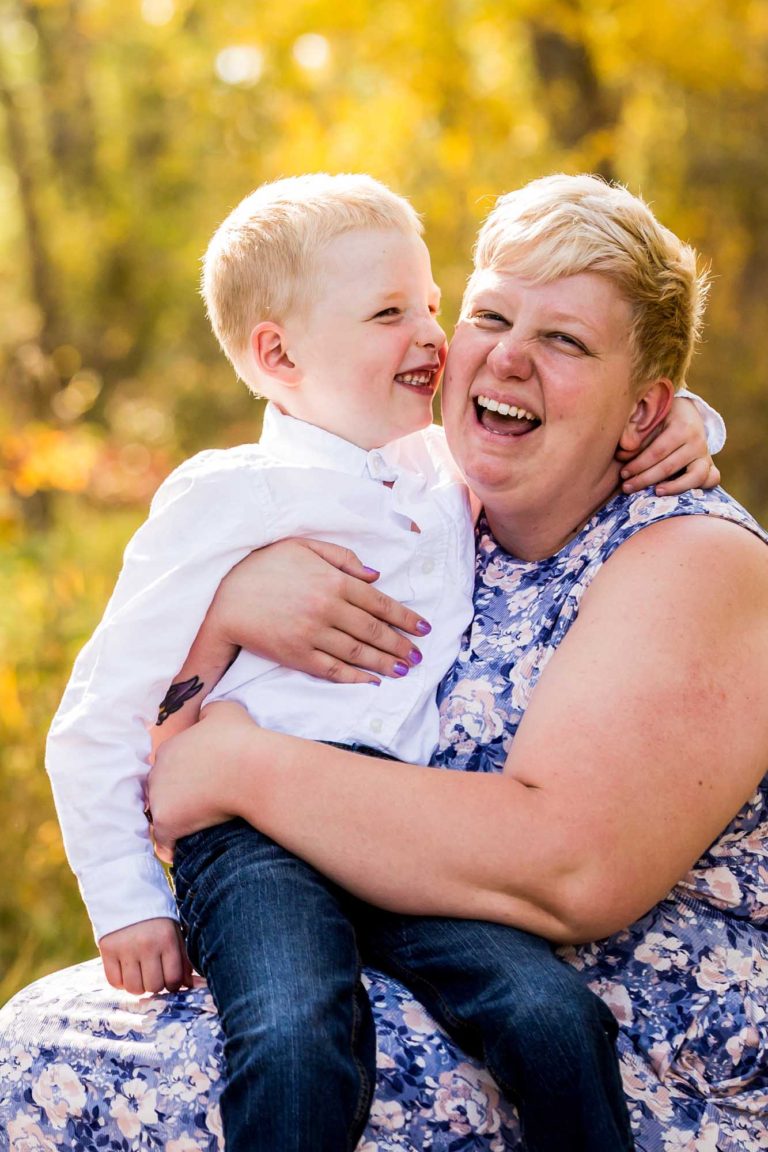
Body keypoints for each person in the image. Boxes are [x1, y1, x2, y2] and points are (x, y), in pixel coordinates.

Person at [43, 173, 721, 1152]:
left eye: (433, 307)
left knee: (552, 1018)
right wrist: (125, 903)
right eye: (389, 313)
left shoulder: (444, 471)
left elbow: (586, 419)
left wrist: (690, 421)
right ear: (279, 352)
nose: (434, 339)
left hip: (401, 827)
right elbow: (102, 711)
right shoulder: (225, 499)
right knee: (295, 1034)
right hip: (254, 844)